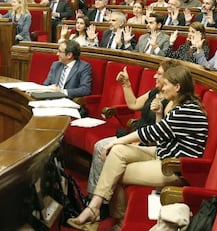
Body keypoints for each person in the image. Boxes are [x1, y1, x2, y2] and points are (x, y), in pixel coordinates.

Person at [67, 65, 208, 231]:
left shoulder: (187, 111)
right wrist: (119, 144)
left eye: (167, 83)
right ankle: (96, 209)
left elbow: (152, 132)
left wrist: (116, 141)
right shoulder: (179, 105)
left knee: (114, 170)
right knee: (118, 153)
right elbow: (160, 133)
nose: (162, 86)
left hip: (173, 167)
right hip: (162, 153)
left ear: (177, 87)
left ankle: (113, 219)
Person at [87, 60, 179, 205]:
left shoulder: (172, 103)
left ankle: (100, 204)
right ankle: (96, 199)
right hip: (136, 134)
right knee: (101, 146)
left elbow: (161, 133)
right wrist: (126, 84)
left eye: (159, 74)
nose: (155, 76)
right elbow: (133, 104)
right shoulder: (155, 92)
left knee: (102, 148)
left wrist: (158, 114)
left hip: (146, 141)